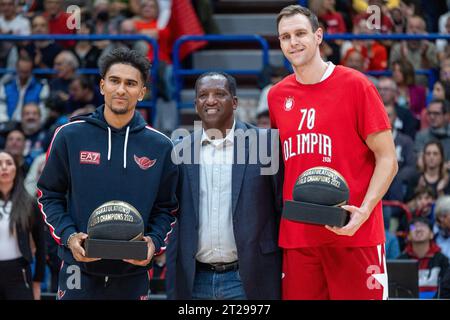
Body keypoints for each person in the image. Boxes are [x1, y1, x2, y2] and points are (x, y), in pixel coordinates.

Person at [268, 5, 398, 300]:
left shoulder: (356, 85)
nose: (293, 42)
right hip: (299, 238)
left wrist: (364, 211)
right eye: (285, 36)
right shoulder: (277, 96)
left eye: (300, 33)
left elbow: (388, 160)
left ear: (318, 36)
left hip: (355, 235)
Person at [36, 47, 179, 300]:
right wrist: (69, 237)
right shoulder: (70, 135)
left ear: (142, 92)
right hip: (77, 268)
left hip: (132, 273)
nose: (121, 89)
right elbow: (48, 195)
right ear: (102, 85)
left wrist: (154, 242)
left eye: (131, 83)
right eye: (114, 81)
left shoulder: (161, 146)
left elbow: (168, 208)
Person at [166, 72, 283, 300]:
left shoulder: (265, 145)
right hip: (195, 280)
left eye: (219, 94)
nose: (210, 100)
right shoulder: (179, 151)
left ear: (235, 102)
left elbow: (281, 209)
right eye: (203, 95)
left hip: (249, 278)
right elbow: (174, 219)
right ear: (196, 104)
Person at [0, 150, 46, 300]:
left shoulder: (28, 203)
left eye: (9, 163)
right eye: (0, 164)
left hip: (18, 274)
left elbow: (40, 244)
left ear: (16, 168)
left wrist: (37, 281)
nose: (4, 167)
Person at [397, 216, 449, 299]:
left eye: (423, 226)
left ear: (432, 234)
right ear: (408, 236)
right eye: (413, 227)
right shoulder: (399, 261)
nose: (418, 229)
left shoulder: (443, 261)